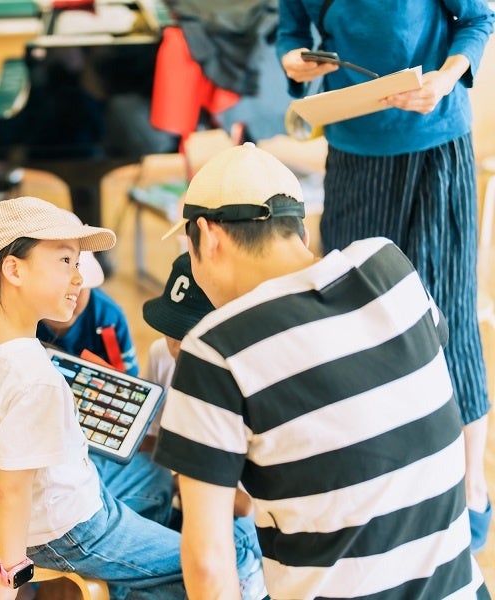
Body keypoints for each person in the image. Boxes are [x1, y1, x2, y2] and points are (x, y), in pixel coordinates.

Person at [153, 143, 488, 599]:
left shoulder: (215, 351)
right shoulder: (390, 269)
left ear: (208, 238)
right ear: (301, 233)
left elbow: (210, 566)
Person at [276, 0, 495, 553]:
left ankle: (471, 483)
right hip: (351, 152)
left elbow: (479, 19)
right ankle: (378, 483)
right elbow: (290, 33)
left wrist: (445, 80)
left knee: (446, 314)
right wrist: (294, 62)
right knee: (353, 319)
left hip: (435, 147)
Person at [0, 196, 186, 600]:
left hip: (59, 499)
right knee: (209, 561)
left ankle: (123, 580)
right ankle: (129, 578)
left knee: (153, 478)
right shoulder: (35, 378)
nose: (79, 277)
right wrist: (11, 578)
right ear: (13, 270)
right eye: (65, 261)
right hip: (63, 527)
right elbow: (12, 490)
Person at [142, 252, 266, 600]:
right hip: (188, 501)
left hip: (241, 518)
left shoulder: (242, 375)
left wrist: (181, 476)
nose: (177, 345)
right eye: (170, 330)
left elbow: (247, 506)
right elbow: (150, 440)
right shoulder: (159, 355)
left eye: (191, 333)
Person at [37, 217, 139, 375]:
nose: (71, 293)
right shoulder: (18, 315)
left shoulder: (109, 319)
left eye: (80, 285)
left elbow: (128, 380)